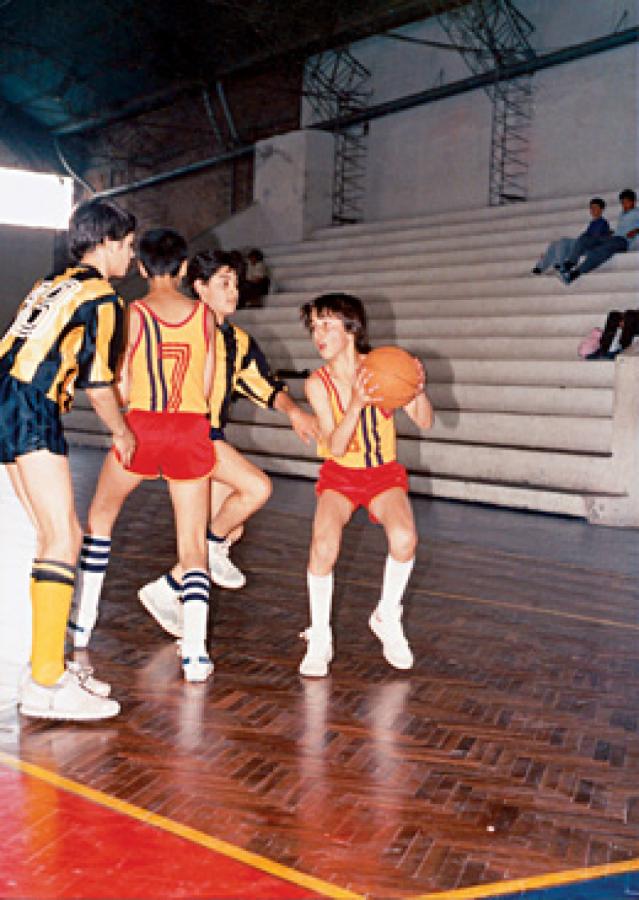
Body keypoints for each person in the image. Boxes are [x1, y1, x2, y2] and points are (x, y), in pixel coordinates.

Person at [0, 197, 136, 721]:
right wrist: (122, 432)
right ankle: (47, 682)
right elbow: (100, 383)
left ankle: (45, 661)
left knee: (50, 534)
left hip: (7, 397)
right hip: (30, 404)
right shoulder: (103, 297)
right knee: (64, 536)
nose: (129, 256)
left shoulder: (49, 284)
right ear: (104, 243)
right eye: (125, 245)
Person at [137, 250, 319, 638]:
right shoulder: (182, 327)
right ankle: (188, 602)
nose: (234, 291)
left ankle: (166, 590)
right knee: (256, 488)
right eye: (224, 283)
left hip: (211, 437)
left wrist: (294, 412)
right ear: (199, 288)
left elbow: (265, 386)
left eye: (236, 283)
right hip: (188, 435)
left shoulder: (237, 341)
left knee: (224, 531)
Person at [68, 229, 218, 682]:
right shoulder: (204, 315)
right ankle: (194, 653)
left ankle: (81, 625)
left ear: (140, 267)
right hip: (190, 425)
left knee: (100, 517)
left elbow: (125, 382)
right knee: (193, 544)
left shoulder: (132, 313)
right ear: (185, 267)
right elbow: (209, 384)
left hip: (144, 425)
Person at [298, 292, 433, 677]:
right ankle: (320, 635)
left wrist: (417, 388)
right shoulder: (317, 384)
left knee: (405, 538)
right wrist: (356, 404)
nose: (318, 335)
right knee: (323, 545)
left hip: (382, 473)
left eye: (327, 325)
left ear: (351, 328)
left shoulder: (384, 367)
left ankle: (387, 616)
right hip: (340, 475)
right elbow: (335, 447)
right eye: (314, 327)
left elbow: (425, 421)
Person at [559, 189, 639, 285]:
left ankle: (574, 274)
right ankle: (570, 263)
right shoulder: (622, 214)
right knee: (585, 238)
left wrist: (636, 230)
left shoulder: (637, 212)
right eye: (622, 203)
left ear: (634, 201)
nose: (624, 205)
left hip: (624, 242)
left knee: (599, 251)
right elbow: (621, 230)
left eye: (627, 202)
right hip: (614, 238)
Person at [531, 198, 610, 274]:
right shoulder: (593, 222)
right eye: (591, 208)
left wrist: (583, 237)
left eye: (595, 208)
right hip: (582, 245)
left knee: (563, 241)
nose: (592, 210)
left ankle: (560, 264)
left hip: (589, 248)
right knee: (554, 244)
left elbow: (593, 238)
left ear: (601, 209)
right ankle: (540, 267)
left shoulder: (602, 222)